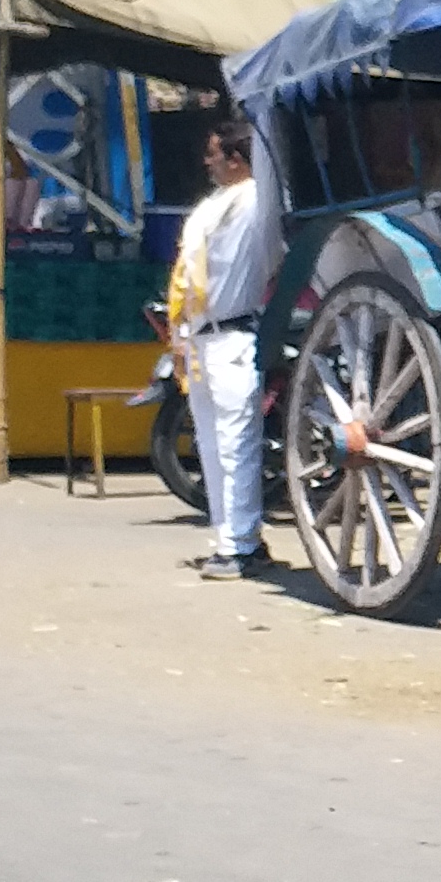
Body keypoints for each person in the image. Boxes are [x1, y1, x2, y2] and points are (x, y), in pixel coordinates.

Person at [163, 115, 279, 582]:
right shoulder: (215, 203)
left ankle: (241, 543)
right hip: (200, 337)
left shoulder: (254, 199)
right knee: (211, 447)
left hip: (233, 335)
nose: (207, 161)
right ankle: (229, 536)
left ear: (236, 159)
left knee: (235, 445)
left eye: (215, 152)